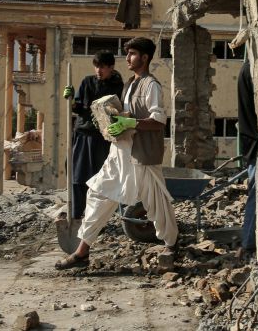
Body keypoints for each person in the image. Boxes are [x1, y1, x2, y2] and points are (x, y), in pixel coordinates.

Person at [56, 37, 178, 269]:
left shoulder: (151, 85)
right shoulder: (130, 84)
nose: (128, 58)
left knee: (156, 202)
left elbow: (158, 121)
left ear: (144, 57)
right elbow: (126, 114)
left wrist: (128, 123)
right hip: (119, 150)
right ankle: (82, 252)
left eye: (132, 53)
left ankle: (171, 243)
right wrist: (111, 118)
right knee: (98, 194)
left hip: (141, 155)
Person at [63, 50, 124, 220]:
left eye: (103, 67)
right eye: (96, 66)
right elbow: (79, 108)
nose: (99, 70)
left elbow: (120, 112)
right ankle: (75, 217)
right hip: (83, 135)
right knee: (77, 176)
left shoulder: (119, 86)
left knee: (100, 180)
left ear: (111, 67)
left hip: (104, 139)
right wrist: (71, 100)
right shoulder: (87, 82)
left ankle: (96, 219)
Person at [238, 58, 258, 253]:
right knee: (257, 192)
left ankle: (250, 240)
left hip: (252, 142)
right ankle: (248, 243)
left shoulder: (248, 68)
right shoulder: (255, 70)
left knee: (256, 191)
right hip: (257, 143)